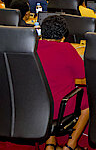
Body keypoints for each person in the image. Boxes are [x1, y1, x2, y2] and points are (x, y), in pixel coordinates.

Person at [38, 15, 89, 150]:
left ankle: (50, 144)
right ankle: (70, 145)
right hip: (60, 108)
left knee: (49, 90)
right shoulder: (66, 49)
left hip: (35, 105)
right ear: (63, 37)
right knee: (88, 99)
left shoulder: (31, 48)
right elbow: (83, 76)